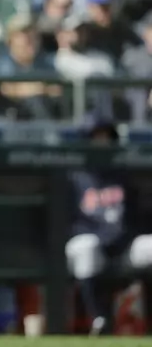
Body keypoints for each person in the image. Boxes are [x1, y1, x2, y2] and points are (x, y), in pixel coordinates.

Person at [65, 121, 152, 335]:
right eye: (96, 138)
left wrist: (122, 237)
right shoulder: (73, 176)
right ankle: (100, 319)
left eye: (106, 138)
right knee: (87, 247)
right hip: (91, 245)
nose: (102, 143)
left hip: (123, 246)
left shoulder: (123, 175)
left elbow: (135, 218)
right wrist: (103, 237)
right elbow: (69, 223)